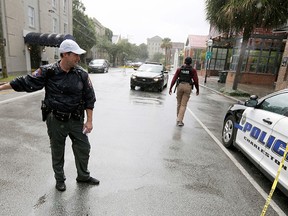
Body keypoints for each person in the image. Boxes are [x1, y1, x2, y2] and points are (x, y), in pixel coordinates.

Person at [0, 39, 99, 192]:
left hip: (76, 120)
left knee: (83, 148)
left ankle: (83, 176)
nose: (78, 58)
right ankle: (60, 180)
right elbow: (26, 82)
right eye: (75, 55)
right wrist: (2, 87)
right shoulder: (48, 71)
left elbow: (89, 98)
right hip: (56, 119)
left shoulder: (82, 75)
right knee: (57, 151)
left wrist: (89, 121)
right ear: (65, 54)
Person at [169, 56, 199, 126]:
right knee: (183, 105)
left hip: (180, 86)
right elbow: (196, 80)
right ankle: (180, 120)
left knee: (179, 103)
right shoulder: (193, 70)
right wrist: (197, 89)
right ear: (191, 62)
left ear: (184, 62)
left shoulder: (179, 69)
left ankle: (178, 118)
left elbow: (174, 78)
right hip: (188, 86)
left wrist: (170, 88)